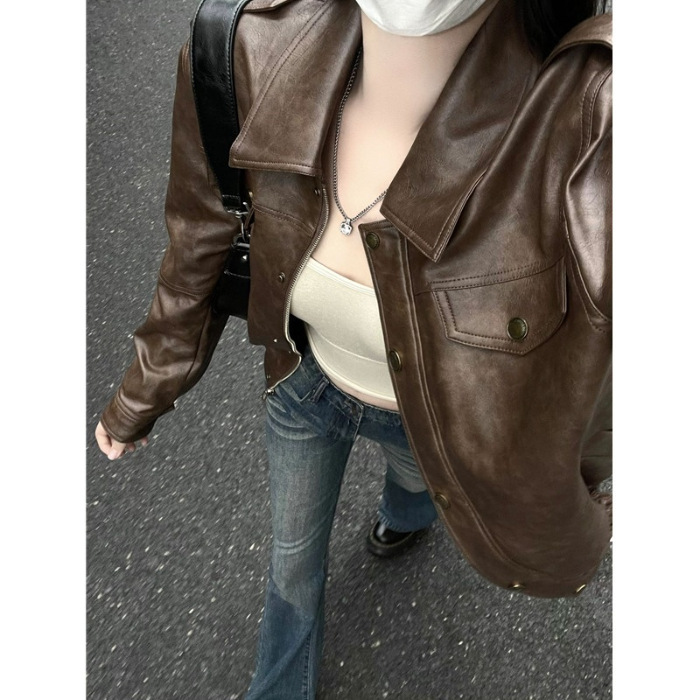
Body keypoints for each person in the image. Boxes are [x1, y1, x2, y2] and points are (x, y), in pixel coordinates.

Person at [95, 0, 612, 697]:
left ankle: (409, 511)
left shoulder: (584, 127)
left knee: (416, 479)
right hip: (305, 386)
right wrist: (142, 391)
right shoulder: (244, 53)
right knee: (291, 562)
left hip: (434, 419)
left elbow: (601, 367)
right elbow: (198, 246)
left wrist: (577, 483)